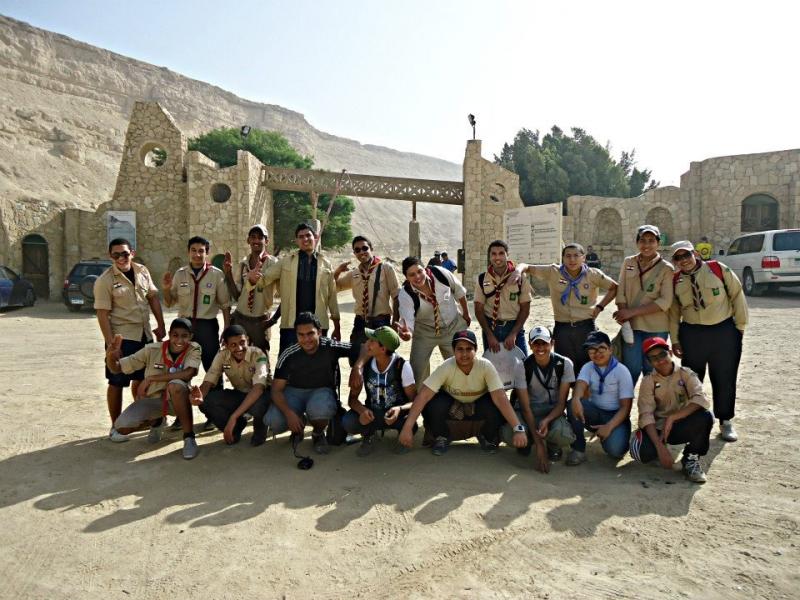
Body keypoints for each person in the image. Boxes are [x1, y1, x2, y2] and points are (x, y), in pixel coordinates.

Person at [398, 330, 528, 456]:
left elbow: (501, 398)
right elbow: (423, 396)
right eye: (460, 349)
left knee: (494, 404)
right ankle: (441, 436)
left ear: (475, 350)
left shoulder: (485, 366)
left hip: (478, 405)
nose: (464, 354)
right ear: (454, 351)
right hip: (451, 405)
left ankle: (487, 436)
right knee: (432, 404)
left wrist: (518, 428)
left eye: (468, 349)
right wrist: (407, 427)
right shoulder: (446, 367)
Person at [668, 240, 748, 442]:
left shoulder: (717, 268)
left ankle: (725, 421)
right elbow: (674, 312)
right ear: (675, 261)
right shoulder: (675, 280)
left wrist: (739, 327)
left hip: (723, 331)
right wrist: (675, 340)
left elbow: (737, 294)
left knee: (725, 377)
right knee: (692, 379)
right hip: (692, 334)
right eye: (678, 257)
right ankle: (693, 419)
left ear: (695, 253)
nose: (683, 260)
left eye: (686, 255)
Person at [94, 238, 166, 443]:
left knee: (143, 379)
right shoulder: (105, 281)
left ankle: (141, 416)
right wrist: (111, 346)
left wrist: (160, 325)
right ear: (110, 256)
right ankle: (115, 426)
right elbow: (102, 314)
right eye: (116, 255)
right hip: (122, 339)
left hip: (144, 336)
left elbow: (152, 298)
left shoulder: (142, 271)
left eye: (124, 254)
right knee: (117, 382)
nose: (121, 258)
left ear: (132, 253)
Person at [104, 318, 201, 459]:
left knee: (176, 385)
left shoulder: (194, 348)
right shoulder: (152, 349)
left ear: (190, 336)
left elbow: (189, 373)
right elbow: (117, 369)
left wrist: (151, 379)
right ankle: (157, 421)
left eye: (184, 336)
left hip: (178, 401)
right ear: (169, 334)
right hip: (154, 401)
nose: (179, 340)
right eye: (175, 335)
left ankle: (189, 438)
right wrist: (110, 357)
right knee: (121, 427)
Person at [517, 243, 617, 374]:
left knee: (588, 365)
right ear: (563, 258)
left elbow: (614, 287)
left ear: (584, 258)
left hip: (585, 326)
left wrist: (599, 307)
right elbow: (526, 266)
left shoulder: (593, 275)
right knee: (563, 367)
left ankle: (583, 393)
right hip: (562, 328)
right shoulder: (553, 272)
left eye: (576, 256)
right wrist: (518, 272)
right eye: (568, 256)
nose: (572, 260)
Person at [264, 312, 352, 455]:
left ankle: (318, 433)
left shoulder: (329, 345)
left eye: (310, 333)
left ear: (319, 332)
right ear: (296, 335)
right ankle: (299, 424)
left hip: (321, 392)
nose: (306, 339)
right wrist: (289, 414)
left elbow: (360, 348)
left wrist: (358, 369)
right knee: (273, 420)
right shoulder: (288, 353)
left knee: (322, 409)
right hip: (293, 392)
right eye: (301, 335)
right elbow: (276, 390)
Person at [629, 337, 713, 483]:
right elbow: (646, 414)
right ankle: (657, 448)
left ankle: (691, 459)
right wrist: (659, 447)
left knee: (705, 417)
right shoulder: (648, 381)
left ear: (670, 353)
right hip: (659, 428)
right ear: (649, 362)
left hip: (679, 424)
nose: (660, 360)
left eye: (662, 354)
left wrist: (673, 417)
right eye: (653, 358)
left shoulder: (685, 373)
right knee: (641, 454)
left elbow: (701, 399)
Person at [500, 325, 575, 469]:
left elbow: (561, 404)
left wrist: (547, 420)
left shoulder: (565, 364)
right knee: (509, 433)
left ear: (552, 343)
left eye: (544, 343)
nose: (540, 348)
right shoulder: (522, 366)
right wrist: (540, 446)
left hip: (552, 411)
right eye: (536, 343)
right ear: (530, 345)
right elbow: (525, 407)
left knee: (563, 433)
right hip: (529, 411)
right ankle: (530, 441)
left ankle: (553, 445)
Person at [262, 222, 341, 355]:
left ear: (315, 237)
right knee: (288, 365)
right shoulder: (286, 261)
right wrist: (253, 279)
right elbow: (265, 278)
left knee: (318, 365)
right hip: (291, 325)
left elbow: (332, 297)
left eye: (308, 235)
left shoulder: (326, 264)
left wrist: (337, 327)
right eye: (301, 237)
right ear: (296, 241)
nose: (305, 239)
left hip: (318, 326)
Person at [189, 325, 271, 447]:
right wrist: (199, 397)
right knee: (206, 402)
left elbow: (258, 388)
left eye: (242, 342)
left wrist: (234, 416)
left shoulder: (258, 355)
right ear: (226, 345)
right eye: (233, 345)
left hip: (260, 395)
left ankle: (260, 429)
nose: (239, 348)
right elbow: (209, 380)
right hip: (240, 394)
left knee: (258, 406)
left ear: (247, 339)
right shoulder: (222, 355)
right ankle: (236, 428)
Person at [612, 225, 675, 385]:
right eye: (642, 240)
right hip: (632, 327)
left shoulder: (666, 268)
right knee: (630, 369)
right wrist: (625, 320)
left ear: (658, 243)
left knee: (652, 371)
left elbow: (665, 302)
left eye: (651, 241)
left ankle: (652, 409)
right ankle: (625, 408)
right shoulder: (629, 262)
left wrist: (630, 313)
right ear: (637, 242)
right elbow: (621, 292)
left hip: (656, 328)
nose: (646, 245)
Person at [396, 256, 471, 385]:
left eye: (419, 271)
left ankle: (462, 399)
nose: (418, 277)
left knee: (462, 367)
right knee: (417, 372)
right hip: (425, 332)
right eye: (412, 275)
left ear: (425, 269)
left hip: (452, 326)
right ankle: (419, 402)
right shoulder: (406, 294)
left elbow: (459, 292)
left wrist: (466, 313)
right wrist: (407, 334)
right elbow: (408, 322)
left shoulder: (441, 274)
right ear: (406, 278)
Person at [162, 235, 230, 376]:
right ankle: (180, 395)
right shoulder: (180, 274)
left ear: (207, 252)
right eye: (193, 250)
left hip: (207, 328)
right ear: (188, 252)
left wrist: (226, 328)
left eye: (201, 251)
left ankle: (214, 397)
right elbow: (169, 303)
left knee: (213, 369)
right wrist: (166, 290)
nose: (197, 254)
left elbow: (225, 305)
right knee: (180, 367)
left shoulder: (216, 275)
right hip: (183, 327)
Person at [343, 326, 416, 456]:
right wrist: (362, 411)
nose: (367, 343)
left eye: (372, 341)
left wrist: (399, 409)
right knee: (349, 421)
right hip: (373, 414)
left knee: (410, 423)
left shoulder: (402, 366)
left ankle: (403, 436)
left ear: (383, 349)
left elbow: (415, 402)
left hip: (396, 415)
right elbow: (352, 399)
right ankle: (369, 435)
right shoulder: (364, 366)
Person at [566, 330, 634, 466]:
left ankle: (612, 435)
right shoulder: (588, 367)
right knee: (572, 403)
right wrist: (576, 398)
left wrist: (609, 426)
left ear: (610, 349)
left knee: (615, 451)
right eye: (592, 350)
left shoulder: (622, 371)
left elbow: (626, 408)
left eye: (601, 348)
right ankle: (578, 449)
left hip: (616, 416)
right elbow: (580, 385)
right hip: (595, 412)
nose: (597, 353)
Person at [334, 235, 400, 361]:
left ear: (371, 248)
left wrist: (394, 324)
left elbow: (396, 297)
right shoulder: (354, 274)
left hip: (381, 322)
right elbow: (335, 287)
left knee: (381, 360)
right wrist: (338, 271)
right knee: (355, 358)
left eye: (365, 248)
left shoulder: (385, 268)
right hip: (360, 323)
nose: (361, 252)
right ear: (354, 253)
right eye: (357, 250)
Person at [223, 224, 279, 353]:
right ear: (248, 240)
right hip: (240, 319)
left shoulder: (273, 264)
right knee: (238, 357)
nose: (256, 241)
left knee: (261, 358)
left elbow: (285, 295)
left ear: (267, 241)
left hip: (260, 322)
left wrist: (273, 320)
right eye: (253, 237)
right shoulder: (243, 264)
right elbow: (237, 296)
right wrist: (228, 273)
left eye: (260, 237)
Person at [474, 239, 532, 355]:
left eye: (501, 253)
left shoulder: (519, 278)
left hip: (514, 326)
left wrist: (513, 334)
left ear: (507, 255)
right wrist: (489, 335)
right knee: (493, 367)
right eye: (493, 254)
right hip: (491, 328)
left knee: (521, 366)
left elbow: (525, 308)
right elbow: (478, 310)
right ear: (490, 256)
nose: (497, 257)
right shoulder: (482, 279)